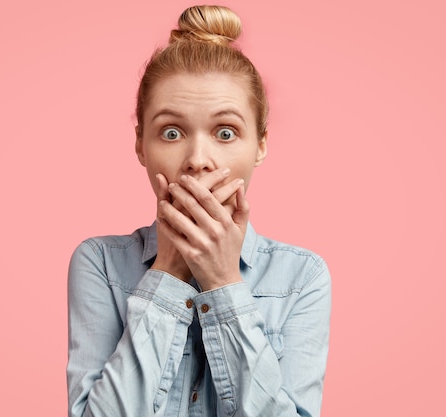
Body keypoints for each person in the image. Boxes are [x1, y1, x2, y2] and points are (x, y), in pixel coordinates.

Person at [67, 5, 331, 417]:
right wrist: (169, 274)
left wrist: (223, 282)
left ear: (260, 144)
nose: (198, 160)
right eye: (171, 132)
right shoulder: (100, 264)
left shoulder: (301, 278)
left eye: (226, 133)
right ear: (141, 145)